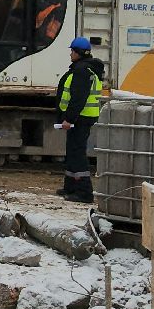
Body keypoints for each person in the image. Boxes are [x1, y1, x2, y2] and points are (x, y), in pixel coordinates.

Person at [56, 36, 107, 203]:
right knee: (72, 152)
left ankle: (84, 193)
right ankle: (70, 187)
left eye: (72, 51)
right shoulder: (88, 69)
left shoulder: (82, 71)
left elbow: (78, 98)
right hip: (83, 117)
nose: (70, 54)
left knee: (77, 154)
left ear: (78, 53)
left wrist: (69, 119)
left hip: (80, 118)